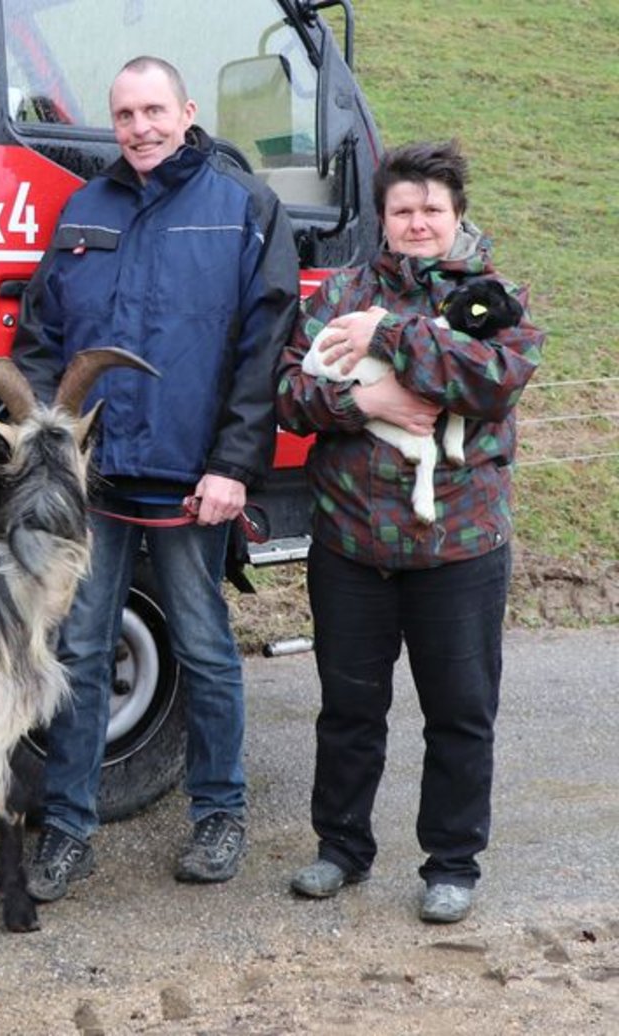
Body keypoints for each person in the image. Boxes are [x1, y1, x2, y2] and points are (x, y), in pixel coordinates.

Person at [13, 55, 299, 899]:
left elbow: (262, 355)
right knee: (80, 651)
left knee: (207, 652)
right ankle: (67, 829)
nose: (140, 127)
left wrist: (233, 466)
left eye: (153, 110)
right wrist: (49, 444)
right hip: (95, 484)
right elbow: (41, 339)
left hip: (190, 485)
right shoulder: (84, 209)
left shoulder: (242, 208)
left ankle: (219, 816)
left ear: (187, 110)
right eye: (125, 114)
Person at [274, 140, 543, 923]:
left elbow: (492, 380)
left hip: (459, 547)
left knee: (459, 710)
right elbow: (292, 393)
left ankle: (451, 863)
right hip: (350, 544)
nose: (417, 222)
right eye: (402, 210)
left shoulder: (499, 296)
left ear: (456, 214)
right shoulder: (338, 292)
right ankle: (341, 849)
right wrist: (365, 405)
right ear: (383, 218)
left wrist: (389, 338)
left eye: (431, 208)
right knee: (349, 707)